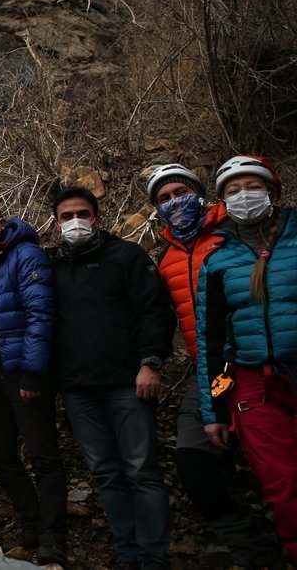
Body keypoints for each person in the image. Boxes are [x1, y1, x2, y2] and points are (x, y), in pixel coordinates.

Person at [147, 163, 282, 569]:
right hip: (211, 371)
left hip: (262, 362)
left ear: (201, 193)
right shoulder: (165, 257)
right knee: (194, 463)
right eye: (164, 199)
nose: (175, 202)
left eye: (180, 192)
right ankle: (254, 553)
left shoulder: (234, 235)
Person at [48, 186, 175, 570]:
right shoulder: (49, 265)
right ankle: (128, 554)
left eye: (82, 214)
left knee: (141, 470)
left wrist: (150, 362)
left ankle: (153, 557)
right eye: (66, 216)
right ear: (55, 224)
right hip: (77, 388)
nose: (75, 222)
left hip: (127, 382)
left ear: (97, 218)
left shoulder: (126, 256)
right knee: (106, 473)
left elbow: (154, 311)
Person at [196, 155, 297, 561]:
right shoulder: (218, 260)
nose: (244, 196)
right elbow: (212, 341)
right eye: (233, 191)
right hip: (254, 381)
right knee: (281, 481)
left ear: (271, 191)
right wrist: (214, 410)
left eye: (252, 187)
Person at [0, 198, 66, 564]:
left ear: (1, 222)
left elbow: (40, 312)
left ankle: (54, 536)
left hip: (24, 371)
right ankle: (31, 521)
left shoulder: (25, 255)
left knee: (42, 454)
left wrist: (32, 370)